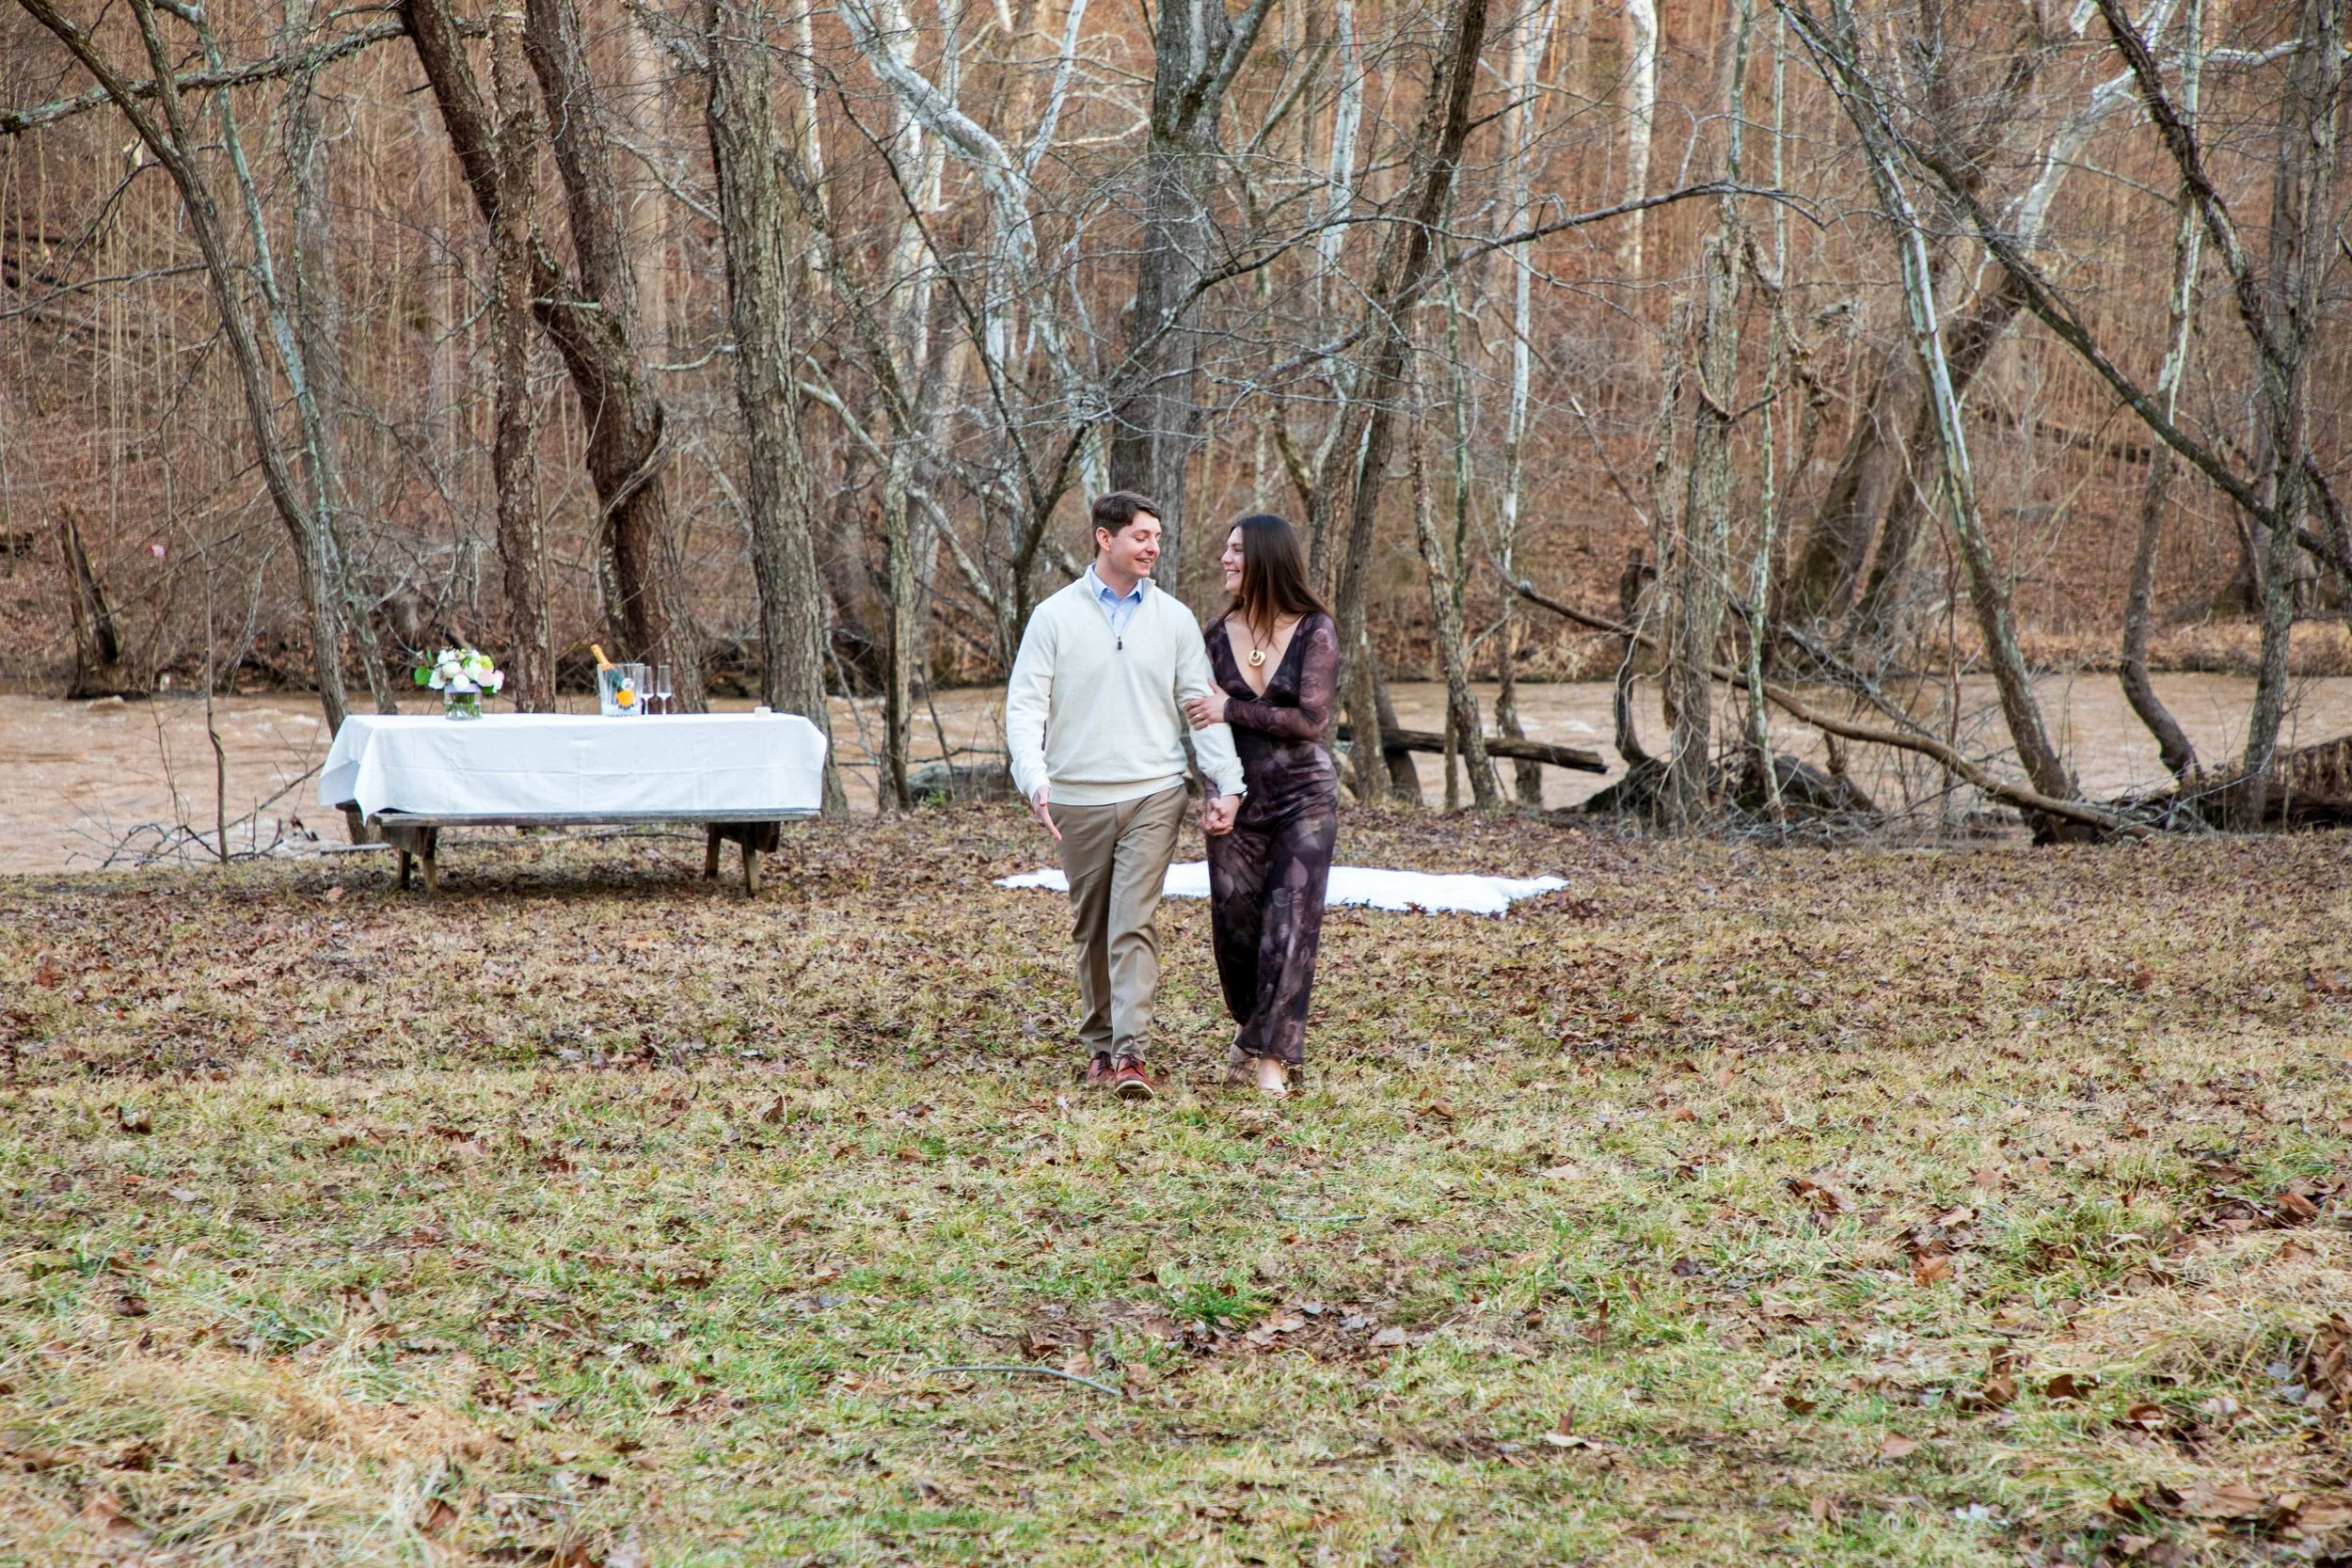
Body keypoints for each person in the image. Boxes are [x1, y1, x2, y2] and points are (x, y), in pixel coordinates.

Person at [1006, 492, 1245, 1101]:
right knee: (1092, 925)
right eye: (1141, 536)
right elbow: (1026, 706)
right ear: (1104, 539)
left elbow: (1201, 708)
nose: (1152, 547)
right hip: (1077, 799)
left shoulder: (1175, 619)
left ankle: (1131, 1053)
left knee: (1130, 921)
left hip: (1155, 793)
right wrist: (1033, 778)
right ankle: (1099, 1048)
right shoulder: (1053, 617)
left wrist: (1228, 782)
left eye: (1157, 537)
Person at [1182, 514, 1339, 1098]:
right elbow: (1202, 726)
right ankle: (1250, 1030)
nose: (1225, 560)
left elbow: (1309, 721)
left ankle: (1271, 1059)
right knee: (1236, 926)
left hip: (1305, 798)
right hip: (1238, 800)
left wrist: (1233, 709)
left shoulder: (1314, 630)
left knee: (1290, 923)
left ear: (1267, 559)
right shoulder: (1215, 635)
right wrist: (1216, 791)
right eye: (1225, 550)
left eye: (1237, 551)